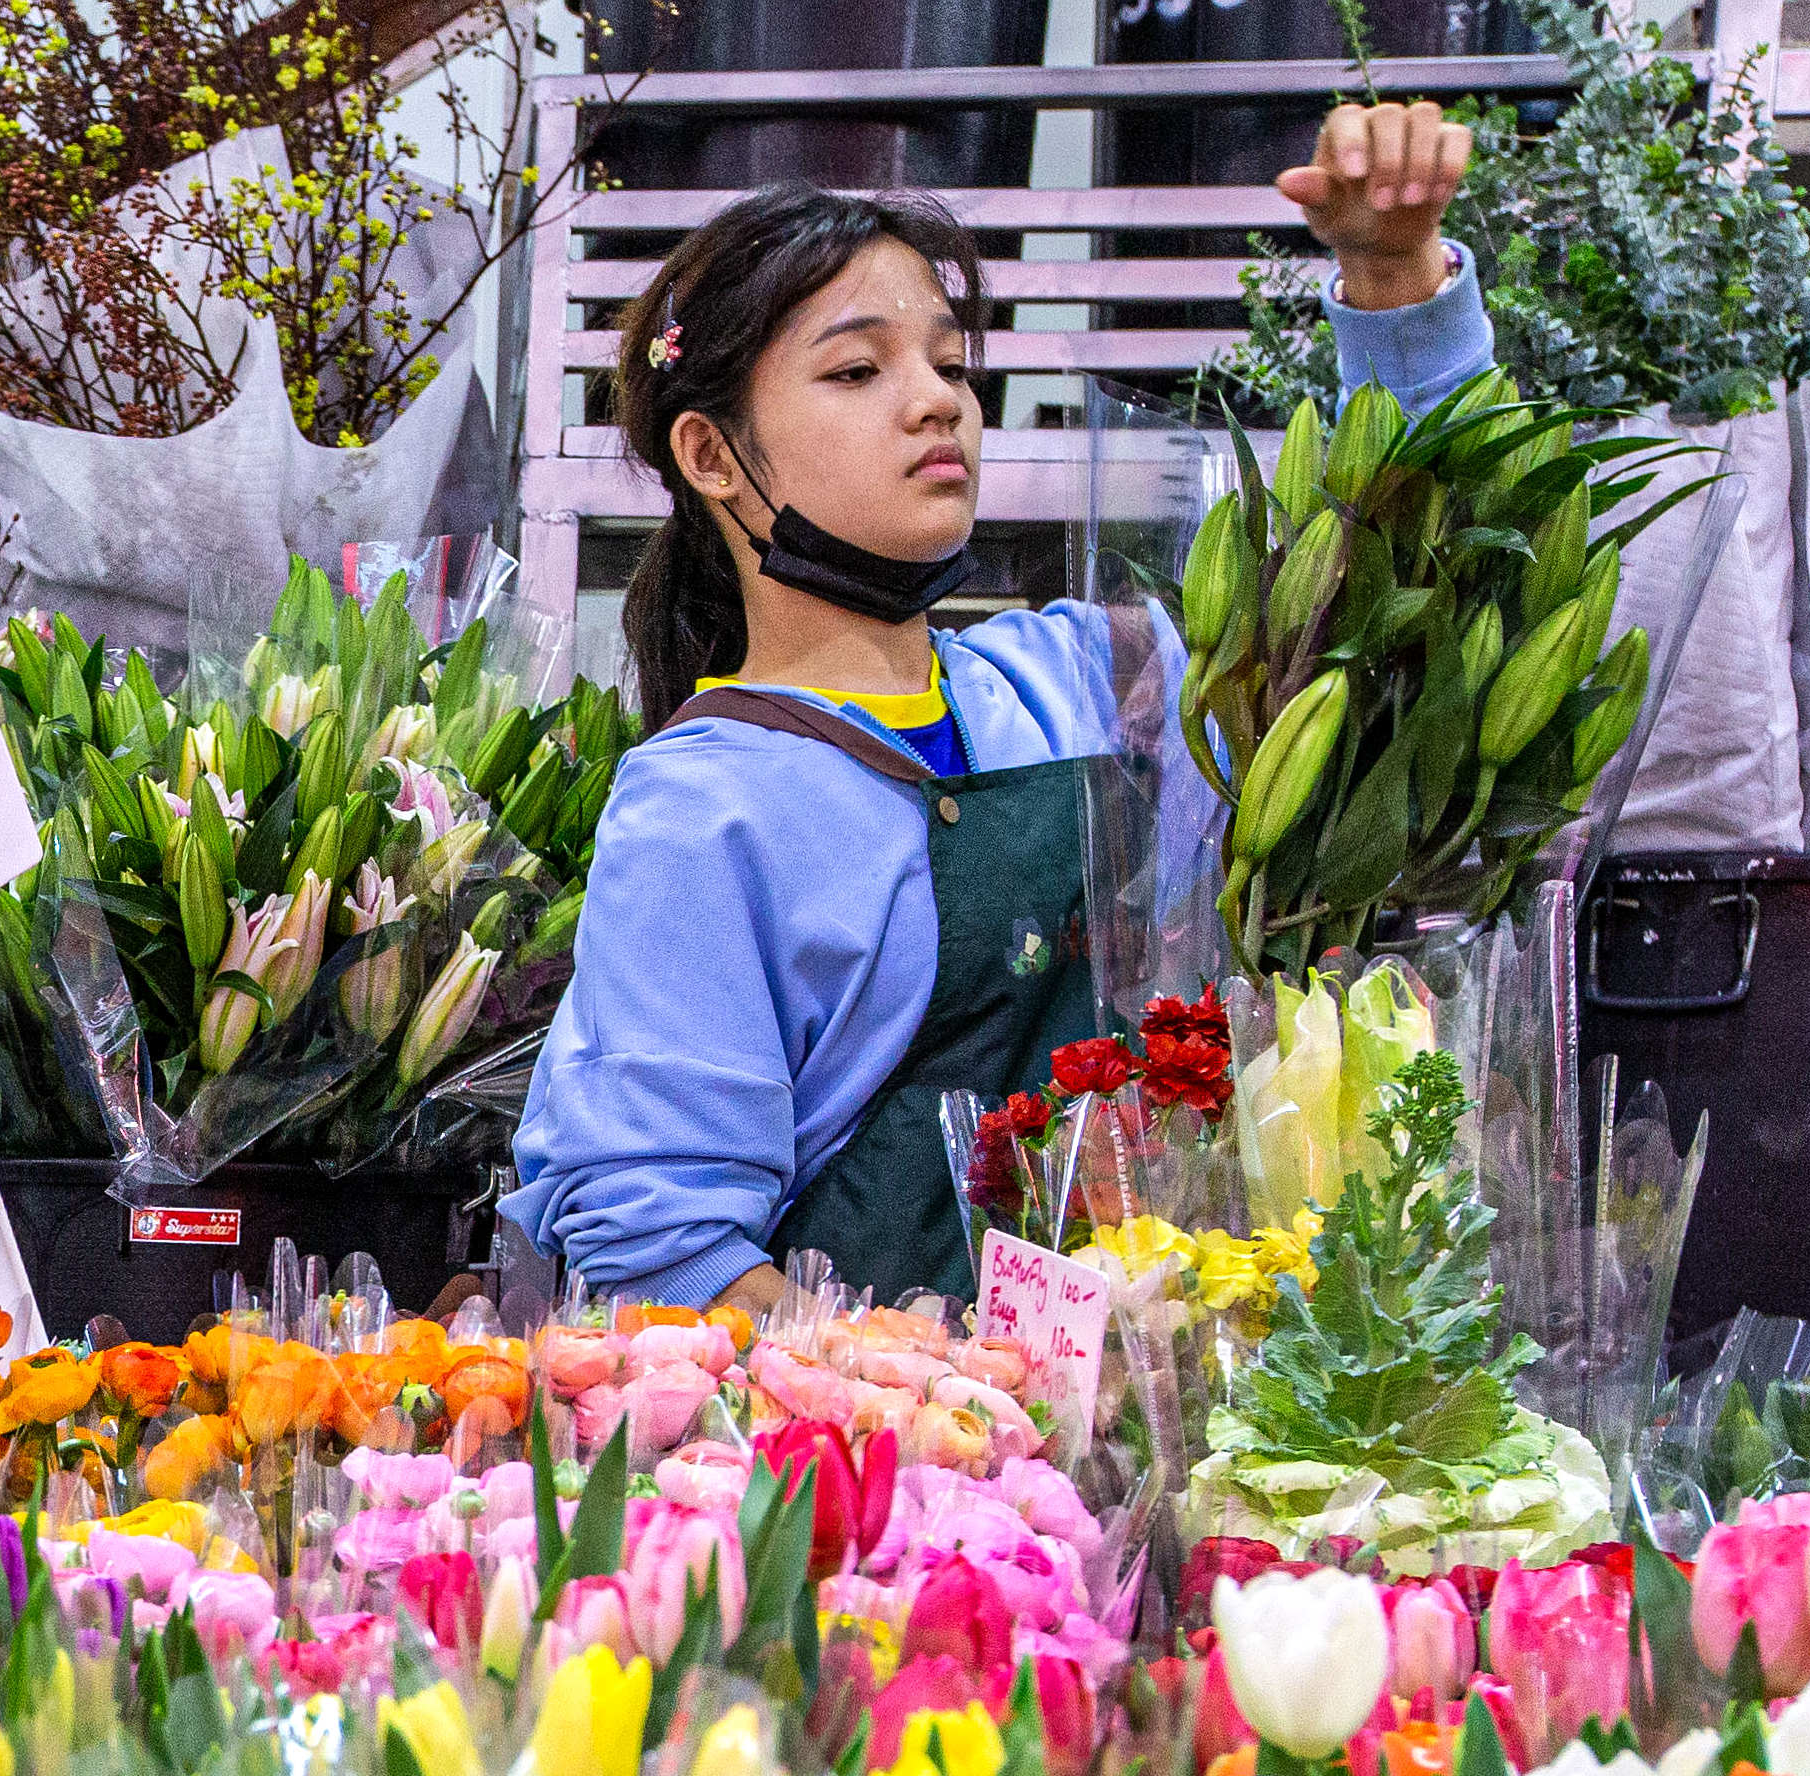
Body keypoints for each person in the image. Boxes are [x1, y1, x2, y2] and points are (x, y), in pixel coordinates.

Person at [504, 106, 1496, 1314]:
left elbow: (1411, 638)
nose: (936, 404)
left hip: (1156, 1413)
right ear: (711, 455)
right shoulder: (703, 807)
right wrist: (929, 1410)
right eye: (859, 370)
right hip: (895, 1467)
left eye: (952, 365)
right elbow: (664, 1255)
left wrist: (1395, 289)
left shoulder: (1097, 680)